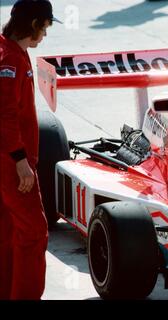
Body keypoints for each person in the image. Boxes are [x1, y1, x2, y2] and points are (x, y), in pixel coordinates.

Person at [0, 0, 60, 300]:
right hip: (13, 164)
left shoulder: (11, 51)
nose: (45, 35)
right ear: (35, 24)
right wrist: (20, 159)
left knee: (9, 233)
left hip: (11, 160)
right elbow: (5, 114)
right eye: (46, 27)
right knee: (34, 234)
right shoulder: (8, 61)